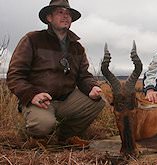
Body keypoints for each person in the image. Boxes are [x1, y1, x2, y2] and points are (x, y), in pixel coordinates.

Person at [6, 0, 105, 148]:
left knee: (98, 101)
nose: (66, 16)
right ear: (49, 18)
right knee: (44, 125)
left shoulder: (77, 47)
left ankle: (65, 137)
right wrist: (32, 94)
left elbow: (84, 76)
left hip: (66, 100)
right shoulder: (32, 39)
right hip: (39, 100)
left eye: (68, 14)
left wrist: (92, 87)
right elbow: (15, 75)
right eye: (60, 12)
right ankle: (38, 137)